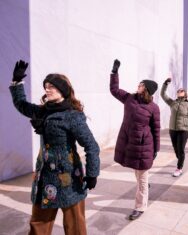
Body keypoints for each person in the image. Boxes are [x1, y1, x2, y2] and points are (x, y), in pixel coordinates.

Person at [9, 60, 100, 235]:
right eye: (46, 86)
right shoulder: (43, 111)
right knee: (38, 226)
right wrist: (17, 82)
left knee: (75, 228)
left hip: (69, 180)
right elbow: (21, 105)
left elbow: (91, 146)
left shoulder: (73, 116)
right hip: (45, 179)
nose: (47, 89)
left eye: (52, 86)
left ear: (63, 90)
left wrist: (92, 173)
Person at [109, 59, 160, 220]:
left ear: (147, 89)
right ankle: (144, 189)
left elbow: (156, 129)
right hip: (130, 143)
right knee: (139, 176)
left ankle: (140, 207)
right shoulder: (130, 98)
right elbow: (114, 89)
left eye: (141, 85)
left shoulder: (153, 108)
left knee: (142, 179)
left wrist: (156, 149)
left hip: (144, 146)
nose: (138, 86)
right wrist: (114, 72)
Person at [160, 78, 188, 177]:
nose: (179, 92)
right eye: (178, 91)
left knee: (181, 149)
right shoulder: (172, 103)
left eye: (181, 91)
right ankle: (180, 160)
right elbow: (163, 95)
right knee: (176, 149)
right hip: (173, 130)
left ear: (185, 94)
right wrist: (165, 83)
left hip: (183, 130)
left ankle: (179, 168)